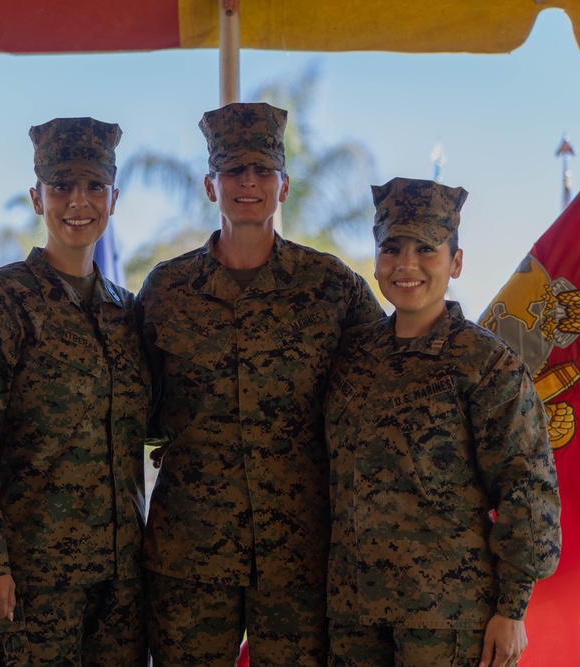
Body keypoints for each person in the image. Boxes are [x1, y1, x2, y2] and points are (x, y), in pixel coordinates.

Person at [138, 101, 385, 666]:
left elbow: (383, 374)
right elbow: (132, 396)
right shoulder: (167, 289)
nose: (248, 182)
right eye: (232, 171)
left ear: (284, 185)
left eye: (262, 171)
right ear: (210, 185)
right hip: (191, 551)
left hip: (298, 552)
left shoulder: (331, 286)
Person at [0, 117, 149, 666]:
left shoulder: (128, 313)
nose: (79, 201)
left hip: (117, 593)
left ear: (114, 198)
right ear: (37, 197)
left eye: (94, 186)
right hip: (24, 585)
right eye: (62, 185)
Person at [323, 177, 561, 667]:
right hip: (354, 618)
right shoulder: (352, 357)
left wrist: (512, 609)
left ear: (455, 261)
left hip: (448, 620)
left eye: (426, 249)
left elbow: (527, 487)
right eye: (391, 248)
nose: (406, 264)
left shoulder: (486, 364)